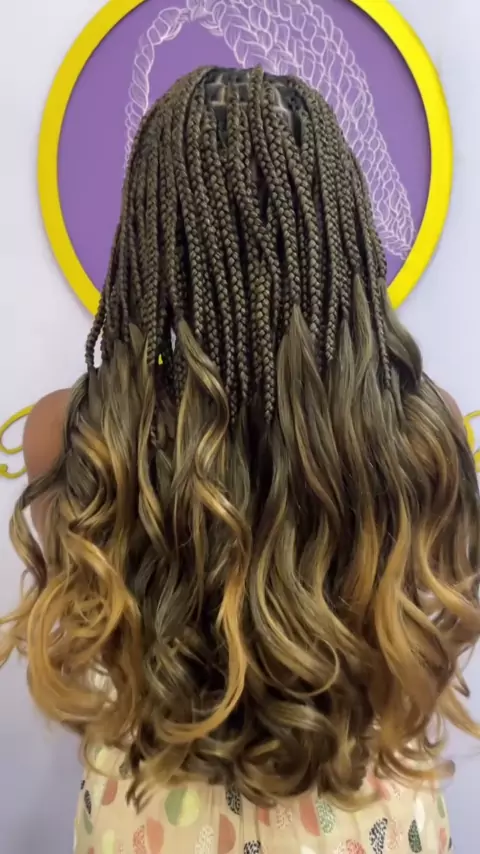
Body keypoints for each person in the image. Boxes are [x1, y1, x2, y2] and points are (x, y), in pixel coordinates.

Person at [1, 66, 477, 854]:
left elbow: (97, 636)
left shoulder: (72, 432)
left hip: (152, 812)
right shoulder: (423, 429)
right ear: (338, 229)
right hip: (364, 814)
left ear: (155, 234)